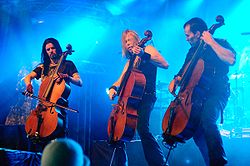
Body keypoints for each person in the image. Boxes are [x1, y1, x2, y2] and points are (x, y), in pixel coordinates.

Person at [168, 17, 236, 165]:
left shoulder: (220, 43)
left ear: (198, 33)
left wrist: (211, 42)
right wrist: (176, 79)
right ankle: (210, 162)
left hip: (217, 92)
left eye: (188, 35)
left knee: (207, 119)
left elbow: (231, 59)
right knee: (197, 129)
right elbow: (183, 72)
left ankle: (219, 162)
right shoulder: (192, 52)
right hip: (197, 96)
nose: (186, 39)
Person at [108, 30, 169, 166]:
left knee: (143, 129)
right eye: (125, 41)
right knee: (118, 133)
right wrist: (113, 88)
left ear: (137, 39)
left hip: (147, 97)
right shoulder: (130, 61)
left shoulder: (148, 49)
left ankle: (159, 163)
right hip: (132, 100)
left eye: (129, 39)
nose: (128, 43)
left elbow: (165, 64)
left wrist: (143, 54)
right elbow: (121, 79)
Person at [24, 37, 82, 140]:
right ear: (45, 52)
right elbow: (28, 77)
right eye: (48, 49)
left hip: (57, 108)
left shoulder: (68, 64)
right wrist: (29, 85)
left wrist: (68, 77)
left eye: (53, 48)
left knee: (58, 141)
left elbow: (79, 82)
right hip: (42, 107)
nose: (51, 51)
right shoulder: (42, 67)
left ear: (58, 48)